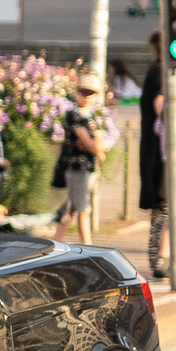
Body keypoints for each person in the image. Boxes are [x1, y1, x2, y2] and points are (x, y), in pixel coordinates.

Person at [57, 75, 106, 245]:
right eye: (83, 92)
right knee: (83, 209)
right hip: (77, 167)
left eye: (90, 93)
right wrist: (95, 149)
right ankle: (88, 245)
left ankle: (55, 243)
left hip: (87, 167)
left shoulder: (90, 117)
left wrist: (95, 147)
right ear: (77, 93)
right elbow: (86, 141)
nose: (86, 96)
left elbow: (99, 141)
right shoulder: (74, 115)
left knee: (72, 207)